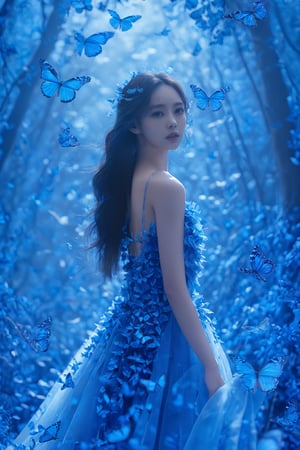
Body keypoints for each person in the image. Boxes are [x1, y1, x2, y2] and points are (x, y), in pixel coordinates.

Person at [11, 73, 263, 449]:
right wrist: (210, 364)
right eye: (158, 114)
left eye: (178, 111)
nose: (173, 122)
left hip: (127, 331)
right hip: (164, 335)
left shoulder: (134, 181)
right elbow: (175, 289)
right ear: (134, 123)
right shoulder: (165, 186)